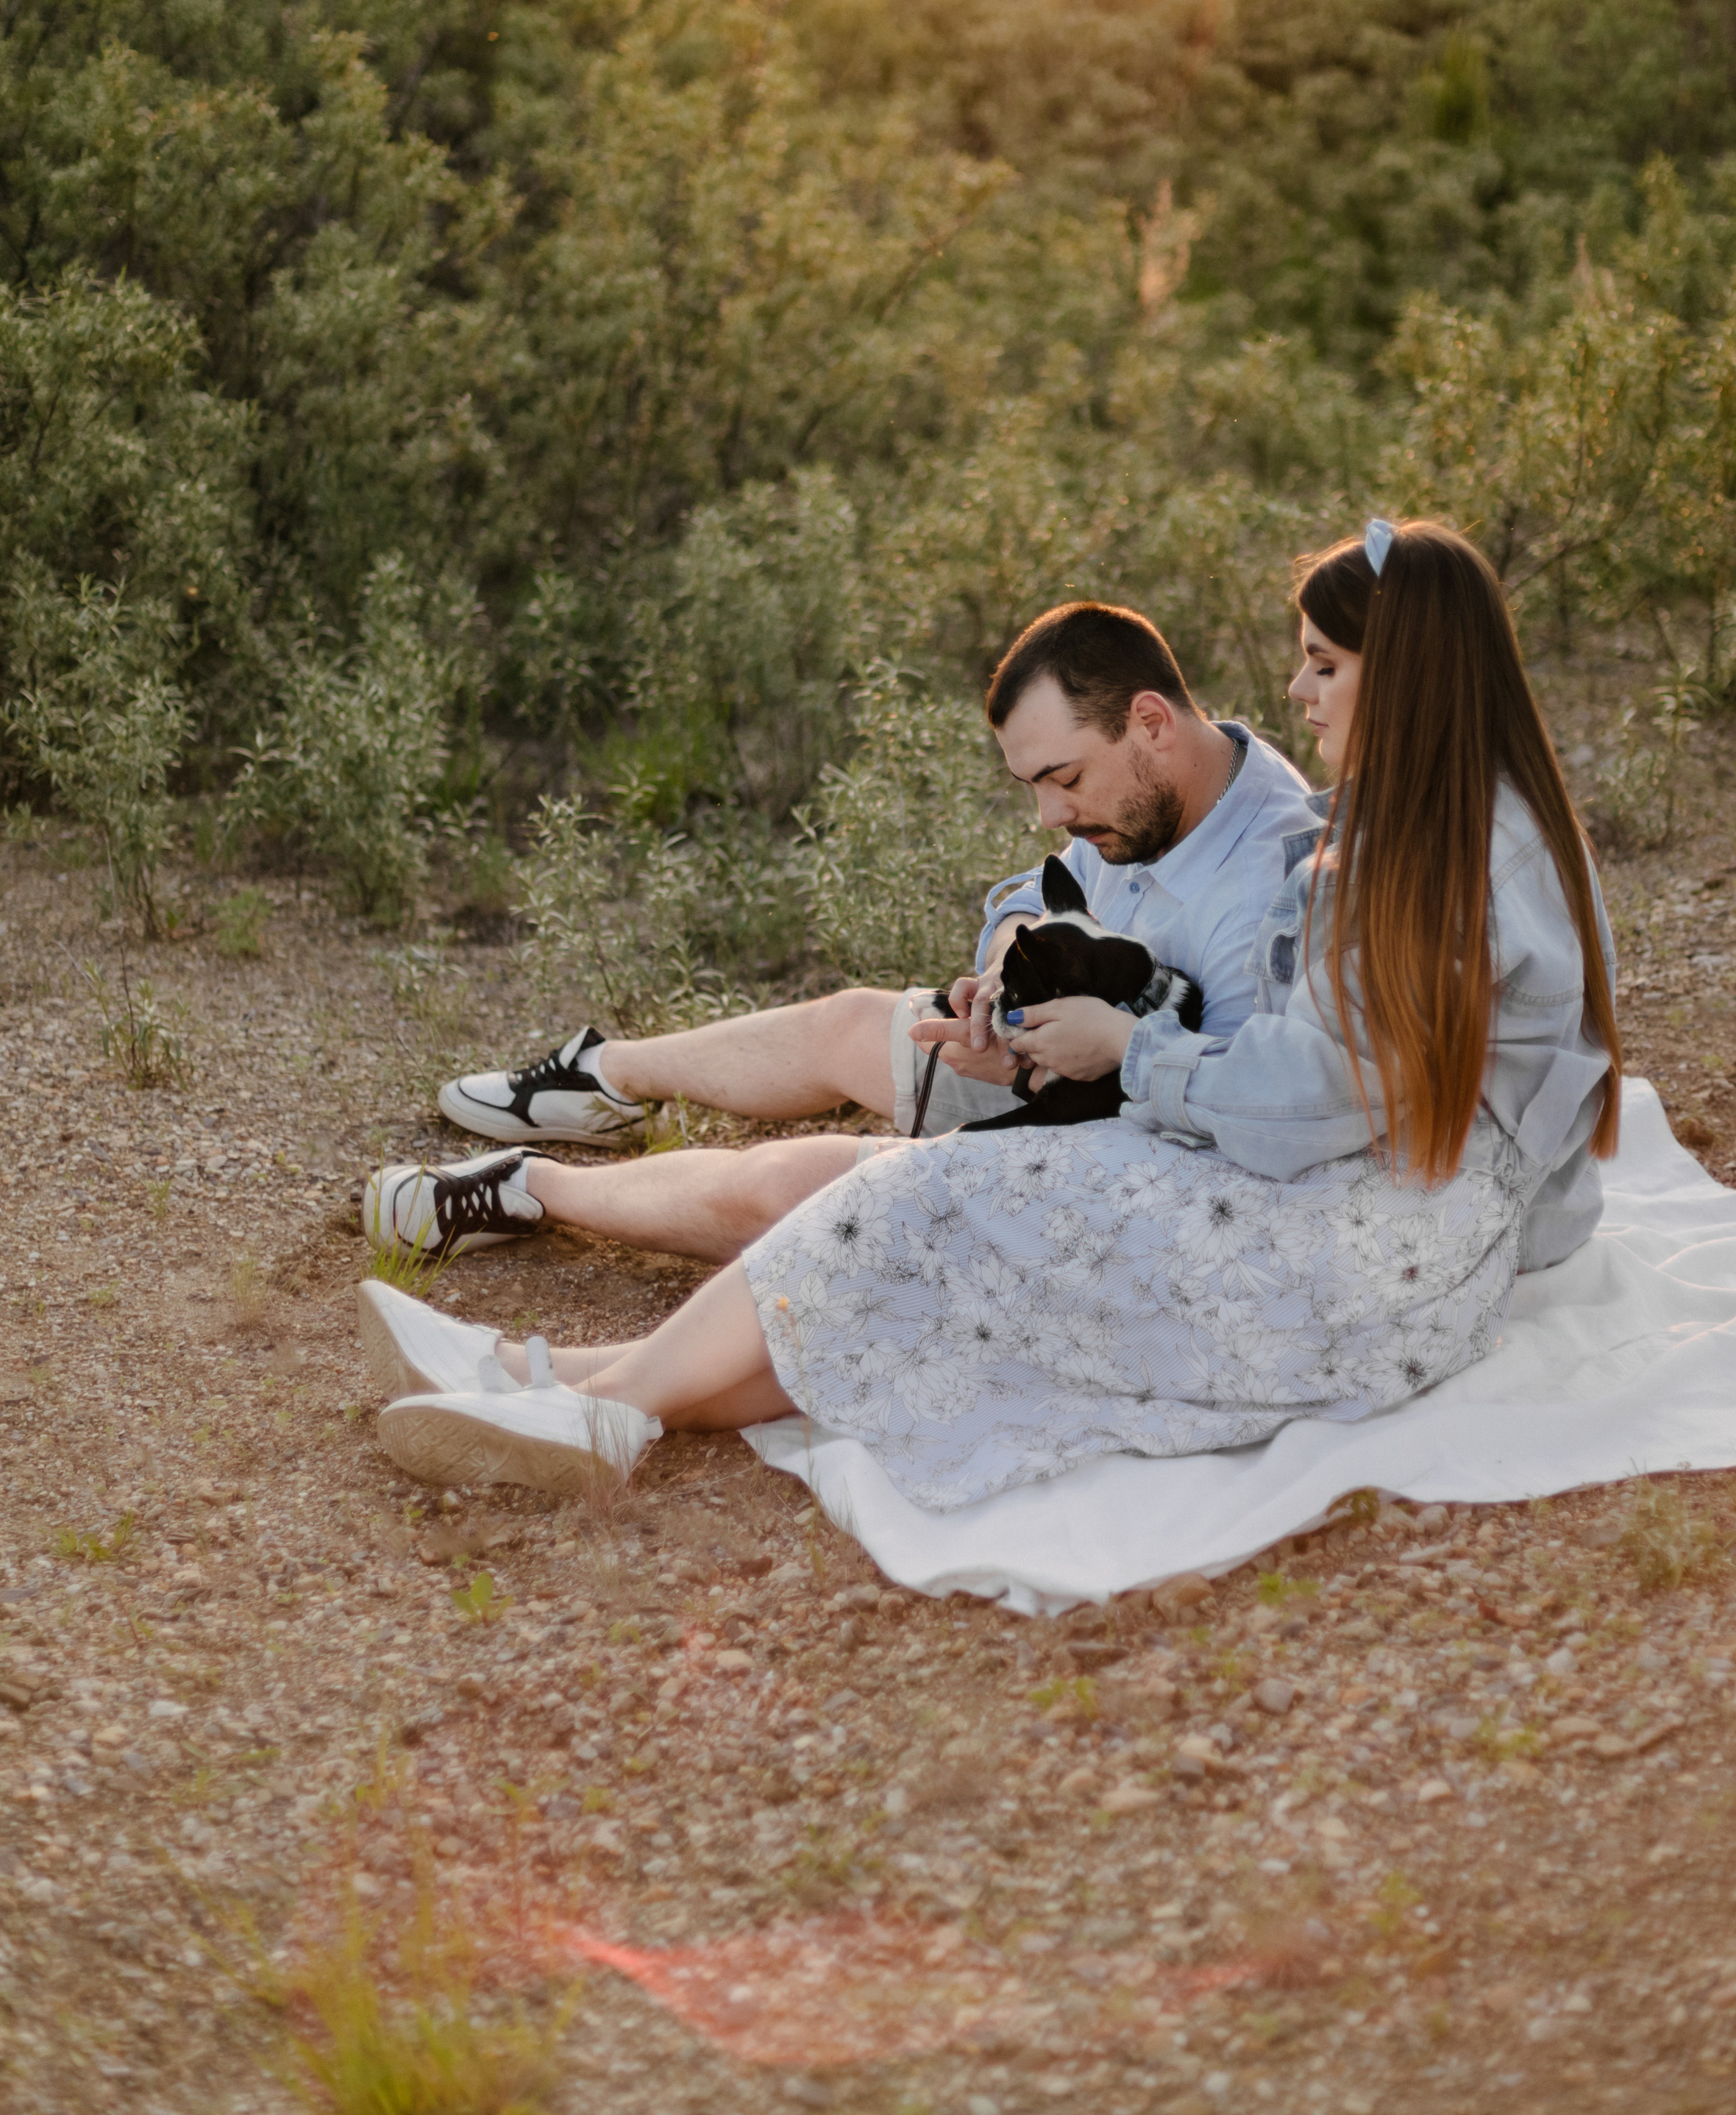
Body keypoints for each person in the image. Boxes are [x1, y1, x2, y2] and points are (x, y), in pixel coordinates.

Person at [363, 519, 1625, 1504]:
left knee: (910, 1208)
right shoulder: (1448, 819)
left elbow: (1301, 1098)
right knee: (929, 1220)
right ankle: (563, 1380)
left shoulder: (1428, 853)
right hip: (1376, 1212)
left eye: (1326, 663)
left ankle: (593, 1395)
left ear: (1405, 672)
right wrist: (1033, 989)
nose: (1300, 689)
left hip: (1369, 1243)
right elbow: (1327, 1065)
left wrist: (1123, 1060)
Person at [362, 602, 1310, 1265]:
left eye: (1063, 781)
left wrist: (1043, 1072)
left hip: (1121, 1171)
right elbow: (1042, 887)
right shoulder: (1145, 791)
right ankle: (605, 1079)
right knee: (853, 1024)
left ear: (1149, 723)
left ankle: (527, 1189)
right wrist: (1007, 953)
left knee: (801, 1188)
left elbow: (1225, 1123)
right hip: (1069, 1085)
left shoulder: (1275, 884)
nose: (1050, 813)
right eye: (1033, 788)